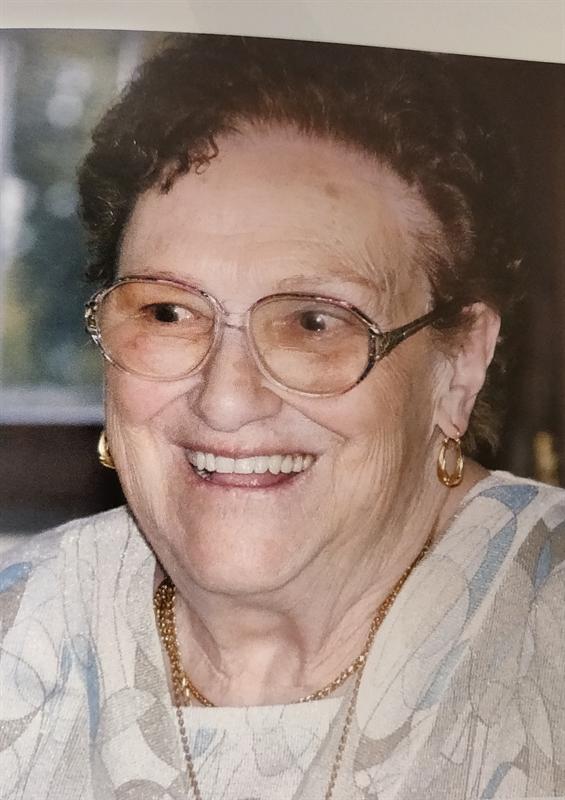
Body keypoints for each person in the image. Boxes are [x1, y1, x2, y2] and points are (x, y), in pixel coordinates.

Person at [1, 33, 564, 800]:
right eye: (168, 313)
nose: (225, 400)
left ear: (458, 363)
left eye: (313, 322)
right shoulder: (19, 630)